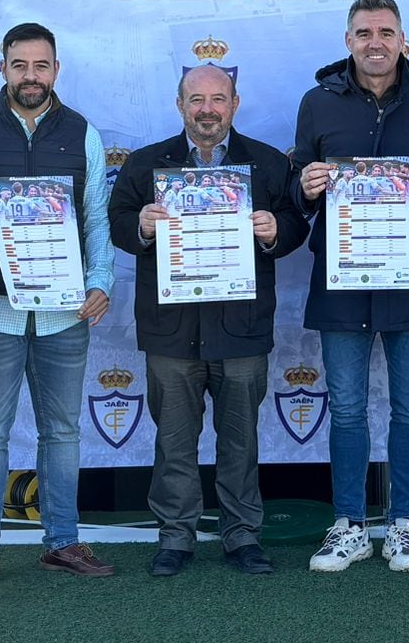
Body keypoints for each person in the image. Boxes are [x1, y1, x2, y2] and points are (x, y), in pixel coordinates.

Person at [110, 63, 309, 577]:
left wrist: (272, 231)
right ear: (180, 105)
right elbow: (116, 225)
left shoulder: (265, 165)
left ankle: (241, 536)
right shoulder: (146, 165)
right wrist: (142, 226)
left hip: (241, 328)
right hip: (170, 331)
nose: (207, 109)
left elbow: (295, 225)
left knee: (240, 440)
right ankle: (175, 537)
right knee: (173, 441)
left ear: (234, 104)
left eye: (217, 99)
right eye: (196, 99)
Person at [0, 22, 116, 589]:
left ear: (56, 70)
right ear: (4, 69)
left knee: (62, 431)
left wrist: (102, 281)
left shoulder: (83, 133)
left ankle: (62, 542)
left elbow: (95, 217)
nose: (31, 77)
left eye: (41, 66)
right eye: (20, 66)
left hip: (65, 310)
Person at [291, 0, 409, 574]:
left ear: (403, 40)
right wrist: (305, 186)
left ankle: (405, 525)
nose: (375, 42)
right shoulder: (317, 104)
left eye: (386, 32)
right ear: (348, 41)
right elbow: (297, 194)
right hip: (341, 281)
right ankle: (349, 525)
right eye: (364, 32)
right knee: (347, 410)